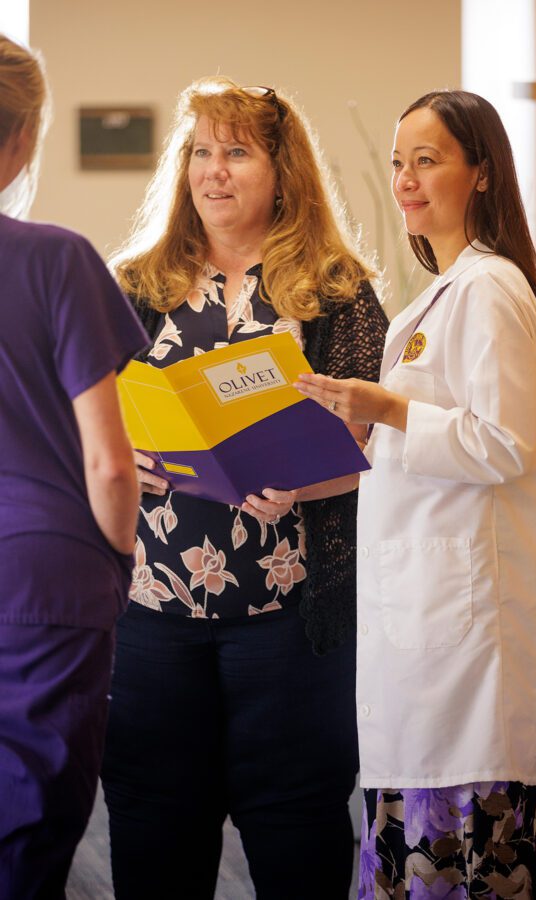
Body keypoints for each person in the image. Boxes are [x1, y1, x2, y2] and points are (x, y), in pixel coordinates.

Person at [100, 77, 388, 900]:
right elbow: (90, 417)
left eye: (236, 152)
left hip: (291, 619)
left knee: (296, 828)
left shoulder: (337, 290)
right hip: (152, 610)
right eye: (200, 153)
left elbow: (370, 443)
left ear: (283, 171)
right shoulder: (137, 283)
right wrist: (127, 448)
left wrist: (300, 485)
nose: (213, 172)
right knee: (155, 825)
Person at [296, 90, 536, 899]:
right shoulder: (435, 299)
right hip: (425, 646)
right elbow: (421, 451)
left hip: (469, 658)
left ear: (481, 172)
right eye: (397, 162)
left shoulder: (488, 288)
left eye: (428, 160)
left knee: (461, 875)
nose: (407, 180)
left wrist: (381, 406)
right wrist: (329, 457)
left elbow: (504, 443)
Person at [0, 34, 149, 900]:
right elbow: (111, 461)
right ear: (23, 139)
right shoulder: (56, 258)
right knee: (31, 828)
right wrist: (117, 561)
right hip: (46, 578)